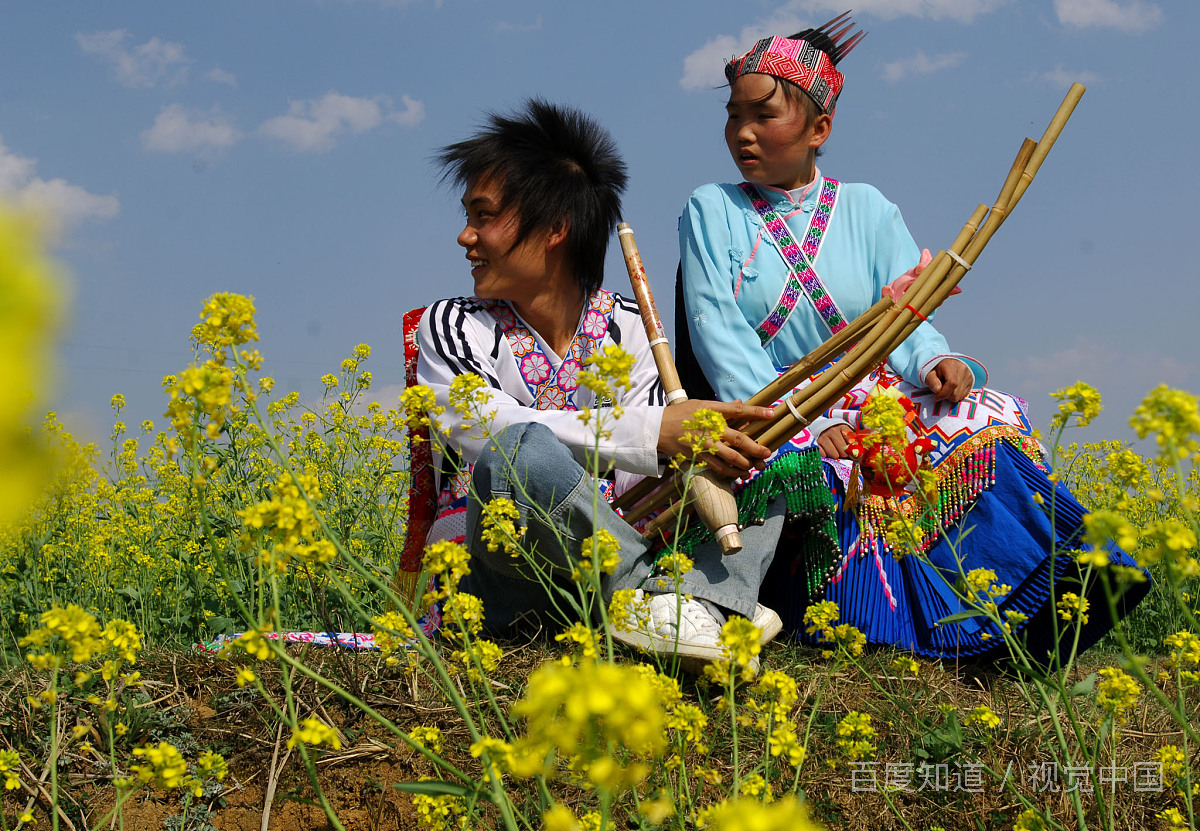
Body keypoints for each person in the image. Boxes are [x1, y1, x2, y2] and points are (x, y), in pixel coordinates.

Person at [677, 15, 1148, 661]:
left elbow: (908, 317)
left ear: (821, 129)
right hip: (779, 403)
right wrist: (800, 422)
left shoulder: (868, 208)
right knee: (837, 463)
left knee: (978, 418)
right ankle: (904, 629)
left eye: (764, 115)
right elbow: (718, 334)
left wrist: (936, 361)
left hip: (875, 390)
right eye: (734, 116)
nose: (743, 132)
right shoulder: (712, 208)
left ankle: (1043, 601)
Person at [414, 99, 784, 673]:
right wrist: (656, 431)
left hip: (607, 574)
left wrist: (695, 452)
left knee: (764, 454)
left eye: (483, 216)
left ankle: (694, 604)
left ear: (555, 227)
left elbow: (650, 478)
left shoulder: (634, 327)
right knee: (516, 454)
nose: (466, 236)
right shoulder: (452, 324)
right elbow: (485, 432)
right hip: (504, 585)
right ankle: (684, 604)